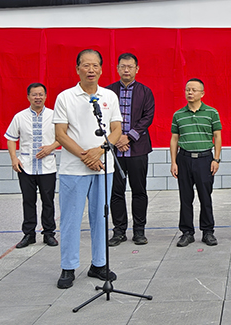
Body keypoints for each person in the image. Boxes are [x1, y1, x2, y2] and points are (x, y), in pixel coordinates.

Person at [52, 49, 122, 289]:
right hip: (74, 168)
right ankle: (68, 266)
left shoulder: (109, 96)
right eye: (85, 65)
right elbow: (60, 134)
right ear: (77, 69)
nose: (90, 70)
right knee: (71, 219)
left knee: (101, 216)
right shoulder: (65, 97)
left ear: (102, 69)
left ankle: (99, 264)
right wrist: (86, 156)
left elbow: (116, 130)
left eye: (95, 66)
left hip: (104, 167)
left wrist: (99, 151)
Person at [106, 53, 155, 247]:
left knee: (139, 190)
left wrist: (128, 137)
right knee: (116, 192)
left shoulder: (145, 92)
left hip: (138, 150)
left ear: (137, 69)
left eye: (130, 67)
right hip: (114, 152)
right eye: (123, 66)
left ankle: (139, 231)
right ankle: (118, 231)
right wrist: (117, 139)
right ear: (117, 68)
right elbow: (102, 118)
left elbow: (147, 117)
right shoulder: (108, 92)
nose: (126, 70)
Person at [5, 83, 60, 249]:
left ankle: (49, 233)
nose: (38, 97)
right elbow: (11, 138)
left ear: (45, 96)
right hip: (26, 166)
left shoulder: (54, 115)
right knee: (28, 200)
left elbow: (64, 136)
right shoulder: (20, 117)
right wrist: (14, 158)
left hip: (47, 166)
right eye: (34, 94)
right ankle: (29, 234)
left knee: (48, 201)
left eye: (41, 94)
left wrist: (51, 147)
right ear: (28, 97)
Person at [170, 78, 222, 248]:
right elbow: (174, 139)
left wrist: (216, 158)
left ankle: (208, 232)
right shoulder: (178, 114)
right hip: (183, 159)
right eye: (187, 90)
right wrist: (173, 162)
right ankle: (187, 232)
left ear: (202, 93)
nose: (190, 93)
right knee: (185, 198)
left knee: (205, 197)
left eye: (193, 90)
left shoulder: (211, 113)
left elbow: (218, 136)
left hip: (205, 159)